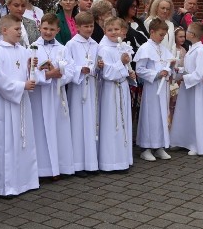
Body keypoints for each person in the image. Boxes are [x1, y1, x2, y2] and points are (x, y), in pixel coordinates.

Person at [0, 15, 40, 196]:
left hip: (23, 102)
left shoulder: (23, 50)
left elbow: (30, 73)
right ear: (4, 30)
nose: (20, 32)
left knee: (25, 140)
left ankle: (26, 180)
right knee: (7, 143)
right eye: (17, 29)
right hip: (7, 103)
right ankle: (7, 185)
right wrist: (21, 86)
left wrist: (30, 69)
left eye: (20, 29)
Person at [30, 14, 75, 179]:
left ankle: (59, 167)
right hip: (39, 96)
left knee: (58, 129)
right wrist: (47, 75)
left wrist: (58, 73)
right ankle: (42, 169)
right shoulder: (32, 48)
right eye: (45, 28)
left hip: (57, 95)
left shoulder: (63, 49)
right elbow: (30, 71)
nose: (48, 32)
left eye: (51, 29)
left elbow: (70, 71)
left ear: (58, 30)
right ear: (40, 28)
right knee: (40, 130)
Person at [65, 12, 101, 177]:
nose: (89, 29)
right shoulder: (71, 45)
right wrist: (80, 69)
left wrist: (98, 67)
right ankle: (78, 164)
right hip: (78, 89)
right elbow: (68, 67)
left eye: (91, 26)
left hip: (92, 86)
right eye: (85, 26)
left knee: (91, 122)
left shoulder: (95, 44)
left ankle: (91, 163)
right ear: (77, 27)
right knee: (79, 124)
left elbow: (97, 65)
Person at [97, 17, 135, 172]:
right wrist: (121, 62)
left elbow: (125, 69)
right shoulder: (103, 49)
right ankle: (110, 162)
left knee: (123, 121)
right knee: (112, 123)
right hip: (110, 90)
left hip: (122, 88)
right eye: (110, 30)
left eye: (116, 29)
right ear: (105, 31)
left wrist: (130, 74)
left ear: (123, 31)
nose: (113, 32)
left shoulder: (122, 47)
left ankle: (123, 159)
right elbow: (107, 73)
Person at [133, 18, 173, 161]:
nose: (162, 38)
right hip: (152, 89)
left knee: (162, 116)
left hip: (163, 89)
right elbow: (140, 70)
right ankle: (146, 147)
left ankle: (160, 146)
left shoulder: (163, 49)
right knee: (151, 116)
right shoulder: (145, 48)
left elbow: (168, 65)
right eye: (161, 35)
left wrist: (170, 70)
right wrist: (156, 74)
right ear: (152, 32)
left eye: (164, 35)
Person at [169, 22, 203, 156]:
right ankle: (182, 140)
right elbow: (189, 69)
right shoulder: (193, 48)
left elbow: (201, 72)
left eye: (187, 31)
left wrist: (184, 78)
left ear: (192, 34)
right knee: (184, 113)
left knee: (195, 114)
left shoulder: (201, 51)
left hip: (195, 88)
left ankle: (195, 144)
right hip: (187, 87)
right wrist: (179, 70)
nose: (185, 33)